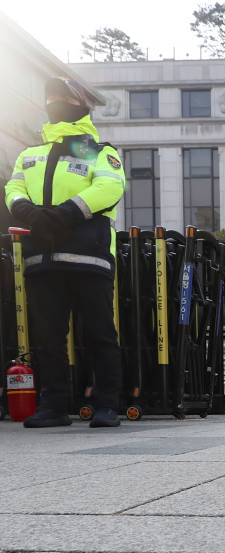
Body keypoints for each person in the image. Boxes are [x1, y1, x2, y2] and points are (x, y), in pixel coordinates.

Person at [4, 77, 127, 428]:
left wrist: (66, 213)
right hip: (41, 258)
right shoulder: (30, 154)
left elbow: (110, 185)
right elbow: (13, 186)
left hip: (89, 256)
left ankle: (106, 404)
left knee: (100, 334)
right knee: (48, 338)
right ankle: (54, 405)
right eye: (50, 96)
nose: (54, 100)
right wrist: (27, 211)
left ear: (80, 104)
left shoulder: (92, 149)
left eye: (62, 95)